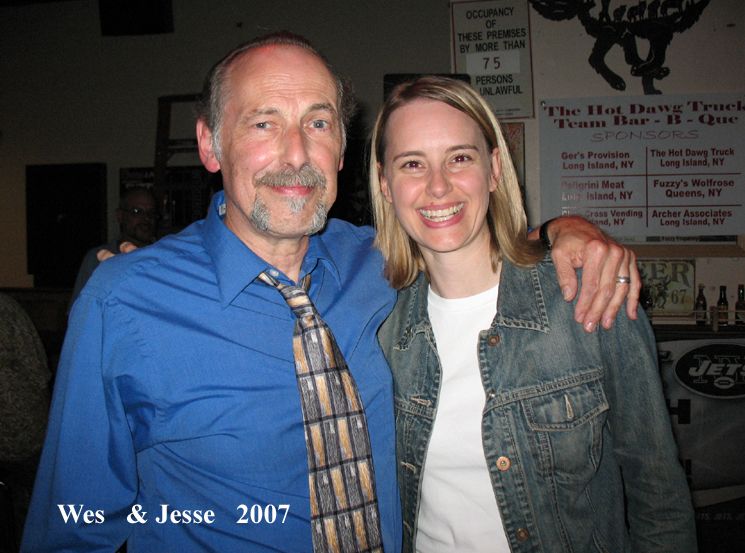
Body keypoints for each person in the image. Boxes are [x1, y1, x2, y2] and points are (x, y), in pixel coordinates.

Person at [24, 32, 639, 552]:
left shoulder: (377, 261)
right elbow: (73, 524)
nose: (297, 153)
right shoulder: (125, 301)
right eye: (263, 123)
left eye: (317, 123)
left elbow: (466, 231)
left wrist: (565, 230)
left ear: (343, 147)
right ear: (210, 144)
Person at [371, 76, 696, 552]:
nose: (437, 186)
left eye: (459, 158)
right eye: (412, 164)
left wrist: (565, 228)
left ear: (494, 169)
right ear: (385, 184)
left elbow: (658, 493)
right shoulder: (377, 321)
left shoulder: (587, 295)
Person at [0, 294, 51, 549]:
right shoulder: (7, 307)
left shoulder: (5, 309)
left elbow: (38, 372)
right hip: (26, 428)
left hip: (21, 429)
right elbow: (41, 371)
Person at [69, 185, 157, 305]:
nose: (146, 218)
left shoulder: (164, 257)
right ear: (120, 216)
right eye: (137, 212)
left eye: (151, 213)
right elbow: (80, 309)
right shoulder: (97, 259)